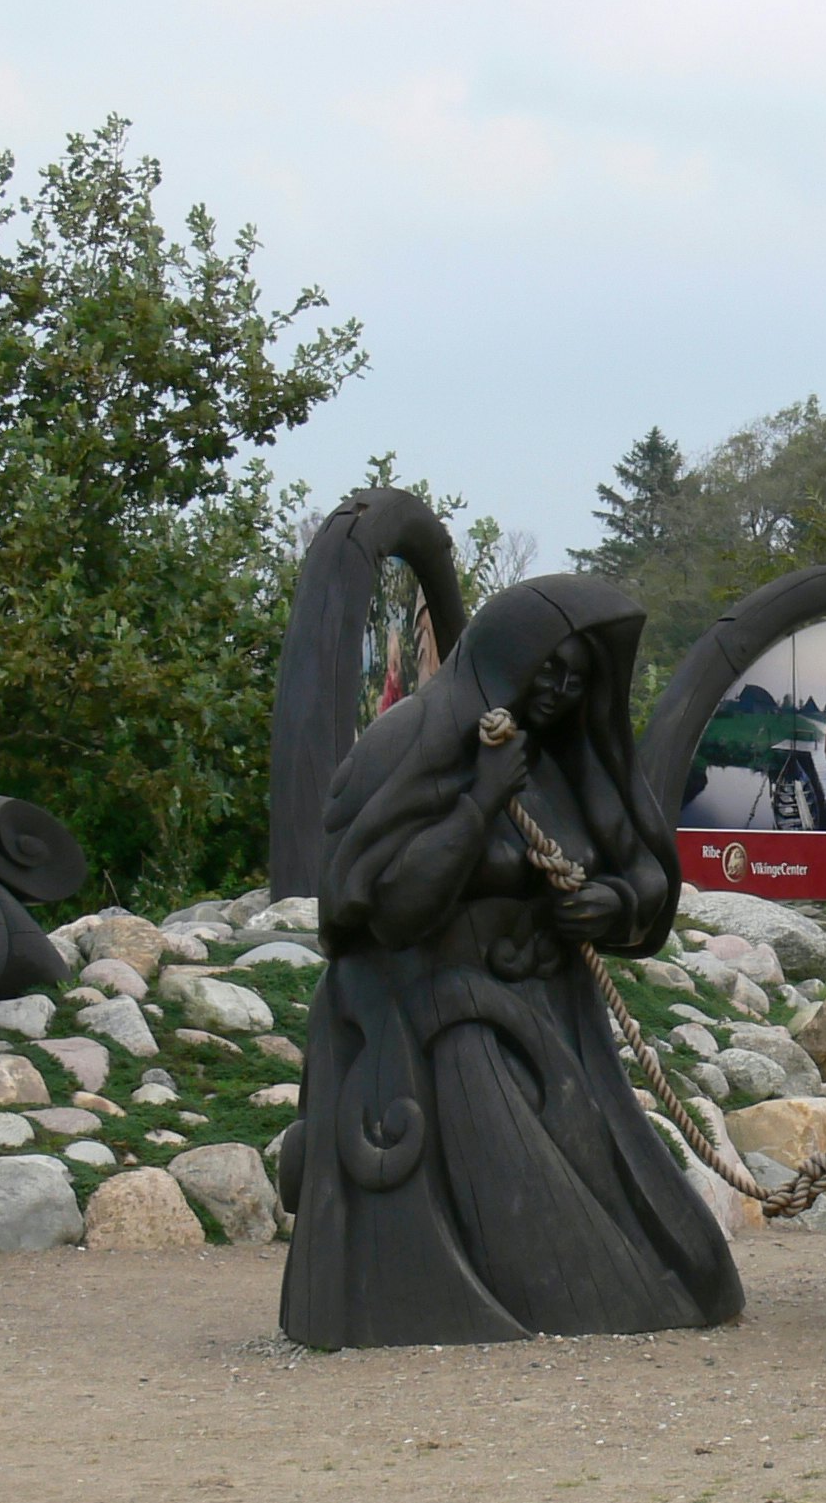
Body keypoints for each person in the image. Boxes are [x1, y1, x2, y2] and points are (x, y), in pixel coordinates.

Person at [278, 574, 743, 1347]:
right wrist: (479, 801)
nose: (560, 689)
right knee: (581, 1269)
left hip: (559, 1028)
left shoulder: (572, 757)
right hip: (444, 1026)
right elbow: (374, 909)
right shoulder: (412, 740)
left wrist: (613, 904)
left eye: (577, 675)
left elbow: (643, 870)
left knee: (690, 1265)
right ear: (505, 659)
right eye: (547, 667)